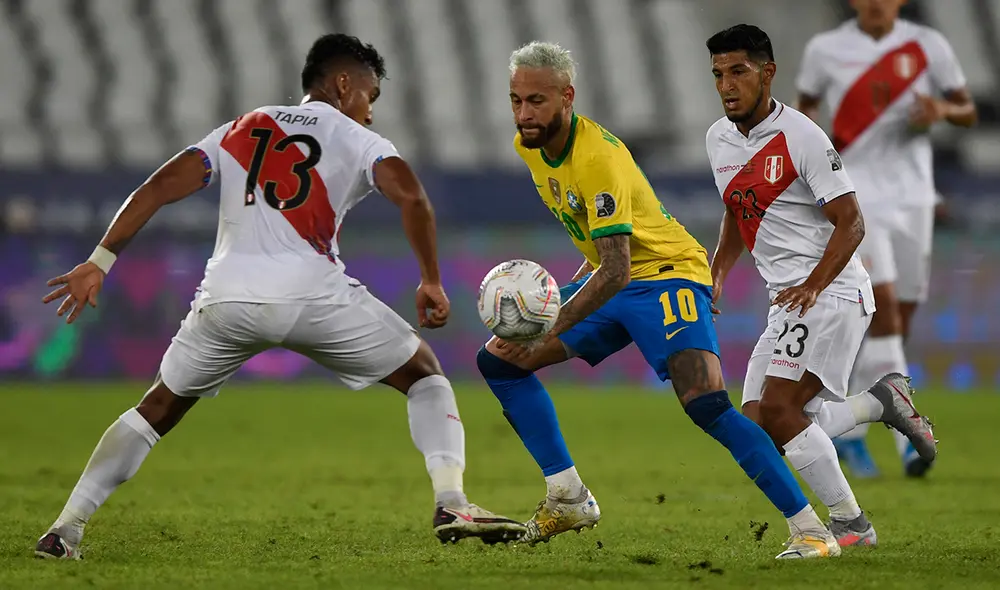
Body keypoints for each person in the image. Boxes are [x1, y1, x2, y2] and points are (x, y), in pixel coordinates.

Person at [34, 33, 525, 560]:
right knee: (425, 374)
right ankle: (451, 501)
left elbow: (157, 187)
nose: (371, 112)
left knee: (156, 407)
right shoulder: (358, 139)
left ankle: (65, 529)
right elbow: (412, 196)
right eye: (370, 96)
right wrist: (429, 278)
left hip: (226, 301)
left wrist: (100, 260)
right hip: (311, 295)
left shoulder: (243, 127)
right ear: (343, 84)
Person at [478, 40, 836, 560]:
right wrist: (553, 301)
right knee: (499, 360)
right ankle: (568, 496)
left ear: (567, 97)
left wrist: (547, 324)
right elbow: (598, 246)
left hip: (669, 276)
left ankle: (811, 531)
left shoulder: (597, 157)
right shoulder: (528, 147)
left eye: (536, 101)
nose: (524, 113)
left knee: (708, 406)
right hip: (612, 278)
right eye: (516, 100)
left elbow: (620, 265)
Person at [705, 24, 937, 553]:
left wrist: (813, 284)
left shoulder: (803, 138)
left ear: (767, 73)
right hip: (786, 299)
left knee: (784, 412)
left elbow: (851, 222)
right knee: (759, 428)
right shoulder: (718, 138)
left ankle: (849, 525)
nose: (726, 85)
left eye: (738, 71)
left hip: (830, 293)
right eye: (718, 74)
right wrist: (718, 271)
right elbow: (736, 207)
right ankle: (879, 403)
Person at [795, 0, 976, 478]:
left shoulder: (927, 45)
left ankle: (850, 429)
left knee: (897, 319)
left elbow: (968, 110)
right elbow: (805, 116)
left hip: (915, 197)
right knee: (887, 312)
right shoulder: (825, 50)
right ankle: (908, 442)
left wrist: (941, 109)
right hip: (860, 196)